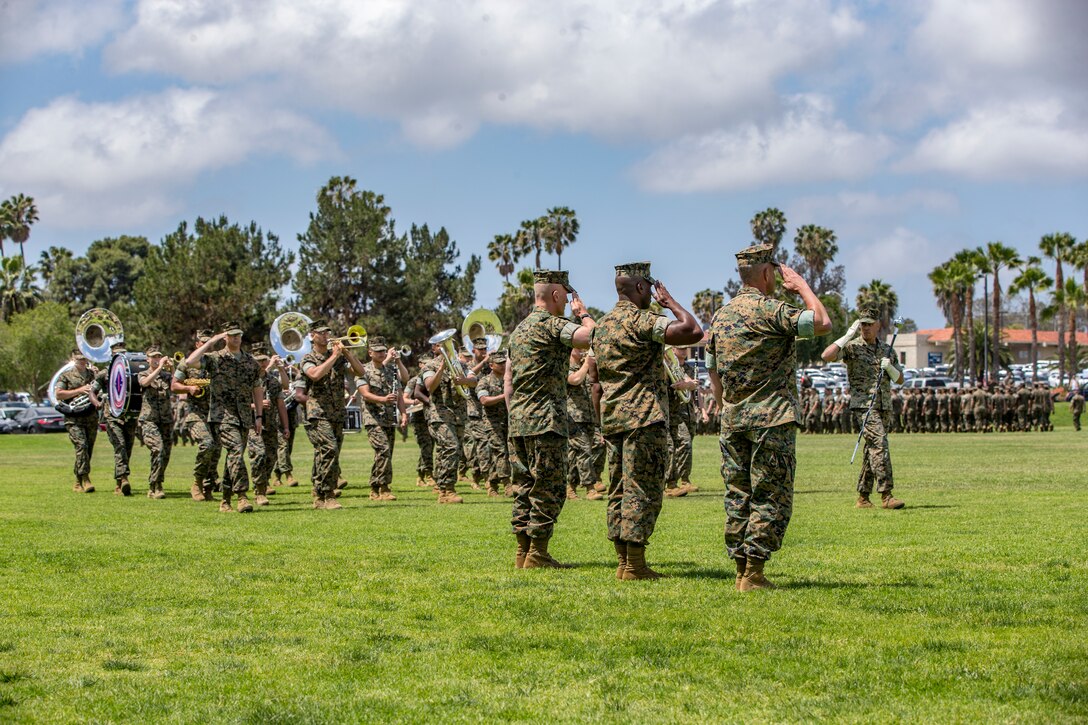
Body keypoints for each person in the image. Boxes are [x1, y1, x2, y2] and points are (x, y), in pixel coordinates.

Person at [708, 245, 831, 591]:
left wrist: (725, 407)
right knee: (770, 493)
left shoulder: (721, 316)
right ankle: (755, 574)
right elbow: (822, 322)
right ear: (766, 274)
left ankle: (740, 569)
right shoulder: (771, 311)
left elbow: (712, 371)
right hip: (770, 420)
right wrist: (803, 287)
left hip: (732, 420)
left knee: (738, 494)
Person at [595, 262, 703, 580]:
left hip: (613, 418)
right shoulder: (642, 320)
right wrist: (668, 302)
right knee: (642, 490)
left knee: (618, 489)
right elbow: (692, 331)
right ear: (642, 288)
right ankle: (635, 566)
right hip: (643, 418)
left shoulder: (602, 325)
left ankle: (622, 562)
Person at [505, 269, 595, 569]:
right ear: (557, 295)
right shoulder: (553, 325)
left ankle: (523, 553)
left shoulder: (518, 330)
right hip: (545, 421)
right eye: (566, 296)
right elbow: (592, 337)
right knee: (549, 488)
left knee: (523, 488)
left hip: (518, 421)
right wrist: (583, 314)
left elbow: (508, 380)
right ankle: (539, 554)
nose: (568, 301)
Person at [822, 307, 905, 510]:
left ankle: (863, 497)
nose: (865, 328)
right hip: (863, 407)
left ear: (878, 325)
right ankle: (887, 495)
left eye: (869, 324)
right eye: (862, 324)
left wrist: (891, 368)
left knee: (871, 451)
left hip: (884, 405)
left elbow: (901, 380)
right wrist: (847, 335)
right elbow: (827, 355)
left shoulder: (887, 350)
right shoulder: (852, 347)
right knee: (880, 444)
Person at [186, 322, 265, 513]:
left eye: (238, 334)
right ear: (225, 337)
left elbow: (257, 388)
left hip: (244, 416)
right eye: (231, 335)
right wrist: (210, 342)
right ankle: (242, 496)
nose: (236, 338)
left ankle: (225, 501)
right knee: (236, 451)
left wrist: (259, 416)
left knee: (233, 457)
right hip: (223, 416)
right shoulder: (215, 359)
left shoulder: (250, 362)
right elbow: (189, 362)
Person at [300, 319, 367, 510]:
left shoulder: (338, 356)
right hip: (318, 413)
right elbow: (315, 375)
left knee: (330, 454)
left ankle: (320, 495)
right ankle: (328, 495)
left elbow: (360, 372)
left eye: (327, 332)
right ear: (312, 335)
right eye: (321, 332)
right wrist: (334, 356)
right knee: (329, 449)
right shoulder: (307, 358)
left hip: (337, 412)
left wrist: (345, 352)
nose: (326, 335)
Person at [420, 343, 475, 503]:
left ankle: (441, 485)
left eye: (450, 344)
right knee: (451, 447)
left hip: (458, 415)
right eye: (444, 345)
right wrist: (443, 366)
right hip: (440, 415)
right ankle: (447, 491)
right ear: (436, 349)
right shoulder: (430, 366)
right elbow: (429, 387)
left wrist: (464, 380)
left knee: (451, 452)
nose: (448, 348)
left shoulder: (461, 365)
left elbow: (474, 380)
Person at [356, 336, 408, 501]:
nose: (381, 353)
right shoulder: (363, 371)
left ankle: (374, 487)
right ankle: (384, 488)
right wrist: (383, 399)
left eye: (383, 351)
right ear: (370, 352)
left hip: (389, 418)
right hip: (373, 418)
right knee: (383, 450)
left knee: (385, 454)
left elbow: (401, 389)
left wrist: (404, 413)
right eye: (377, 351)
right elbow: (364, 394)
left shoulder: (391, 370)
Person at [172, 329, 221, 502]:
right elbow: (174, 385)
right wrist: (188, 388)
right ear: (198, 344)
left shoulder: (216, 363)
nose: (208, 346)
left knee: (216, 450)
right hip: (196, 414)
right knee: (207, 444)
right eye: (204, 342)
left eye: (210, 342)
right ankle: (197, 482)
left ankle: (208, 488)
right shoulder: (186, 363)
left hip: (215, 413)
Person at [248, 344, 290, 506]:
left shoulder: (272, 381)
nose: (262, 364)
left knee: (271, 457)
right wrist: (255, 405)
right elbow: (238, 402)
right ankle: (259, 492)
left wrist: (285, 427)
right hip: (253, 424)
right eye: (258, 361)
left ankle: (262, 484)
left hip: (271, 425)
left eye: (264, 360)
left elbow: (281, 405)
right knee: (259, 454)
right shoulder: (246, 379)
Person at [55, 349, 102, 493]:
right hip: (74, 418)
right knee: (81, 446)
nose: (82, 361)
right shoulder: (66, 376)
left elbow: (101, 389)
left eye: (84, 358)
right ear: (73, 359)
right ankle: (86, 479)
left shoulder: (93, 374)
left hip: (91, 417)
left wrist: (99, 376)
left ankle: (77, 480)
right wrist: (80, 390)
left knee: (88, 449)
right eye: (79, 358)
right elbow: (59, 394)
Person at [95, 341, 137, 496]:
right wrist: (97, 403)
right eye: (117, 354)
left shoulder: (131, 372)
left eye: (123, 353)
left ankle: (119, 482)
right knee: (119, 446)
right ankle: (124, 478)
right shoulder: (104, 373)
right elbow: (93, 391)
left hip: (129, 416)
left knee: (127, 448)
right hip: (111, 415)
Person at [138, 345, 176, 499]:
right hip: (149, 420)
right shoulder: (142, 373)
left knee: (165, 454)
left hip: (166, 420)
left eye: (158, 356)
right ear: (147, 359)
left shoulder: (166, 376)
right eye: (153, 357)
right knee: (158, 449)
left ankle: (157, 482)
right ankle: (155, 485)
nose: (155, 359)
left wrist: (172, 369)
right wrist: (160, 367)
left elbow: (176, 386)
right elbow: (145, 383)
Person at [566, 347, 603, 501]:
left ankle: (570, 486)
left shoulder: (585, 367)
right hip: (573, 417)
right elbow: (575, 380)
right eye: (579, 348)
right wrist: (587, 363)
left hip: (588, 416)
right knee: (584, 450)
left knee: (579, 453)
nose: (583, 351)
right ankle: (589, 488)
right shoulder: (566, 367)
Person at [664, 345, 700, 496]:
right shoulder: (664, 367)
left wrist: (688, 384)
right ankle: (670, 484)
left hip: (682, 412)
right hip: (667, 412)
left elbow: (693, 383)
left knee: (682, 444)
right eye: (680, 348)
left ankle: (678, 481)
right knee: (672, 446)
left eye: (686, 348)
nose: (684, 351)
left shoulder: (678, 367)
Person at [475, 349, 510, 498]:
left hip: (508, 421)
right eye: (499, 363)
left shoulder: (510, 379)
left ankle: (492, 485)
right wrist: (504, 396)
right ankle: (507, 484)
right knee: (500, 451)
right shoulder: (484, 381)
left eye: (504, 363)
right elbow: (484, 401)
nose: (503, 366)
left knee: (504, 453)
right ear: (491, 365)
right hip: (492, 423)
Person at [405, 355, 435, 488]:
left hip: (432, 416)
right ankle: (428, 475)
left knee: (430, 447)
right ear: (420, 365)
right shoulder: (414, 381)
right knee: (426, 446)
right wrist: (414, 401)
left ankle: (420, 475)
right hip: (419, 418)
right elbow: (404, 398)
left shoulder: (433, 378)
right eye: (425, 364)